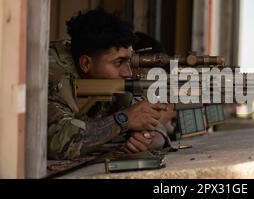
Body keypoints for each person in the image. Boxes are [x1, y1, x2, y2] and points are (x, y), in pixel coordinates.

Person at [47, 7, 172, 160]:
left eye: (130, 60)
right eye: (119, 62)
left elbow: (148, 120)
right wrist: (123, 120)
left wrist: (146, 137)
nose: (128, 72)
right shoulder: (54, 74)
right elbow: (59, 142)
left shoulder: (112, 78)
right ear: (86, 63)